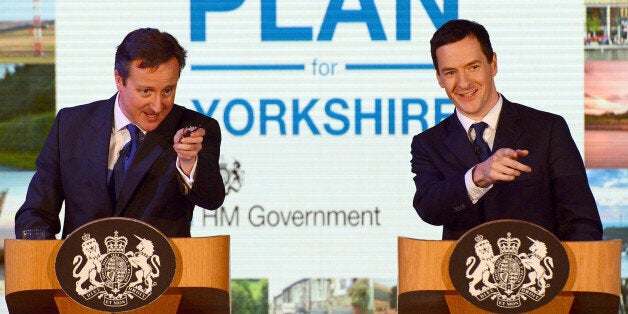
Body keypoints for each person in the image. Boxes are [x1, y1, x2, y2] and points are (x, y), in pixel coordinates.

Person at [15, 28, 225, 239]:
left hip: (159, 268)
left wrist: (189, 164)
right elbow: (37, 210)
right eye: (146, 91)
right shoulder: (71, 125)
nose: (157, 106)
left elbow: (211, 199)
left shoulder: (195, 129)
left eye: (168, 91)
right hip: (81, 267)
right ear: (119, 80)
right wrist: (38, 255)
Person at [411, 19, 602, 241]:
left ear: (493, 64)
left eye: (473, 67)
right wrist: (478, 176)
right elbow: (429, 207)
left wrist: (573, 272)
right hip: (465, 273)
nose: (463, 83)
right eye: (451, 72)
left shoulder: (548, 129)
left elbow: (581, 221)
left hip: (541, 272)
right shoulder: (428, 143)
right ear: (439, 78)